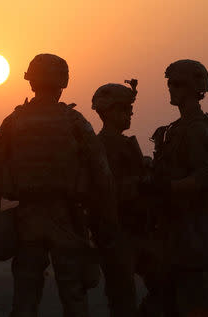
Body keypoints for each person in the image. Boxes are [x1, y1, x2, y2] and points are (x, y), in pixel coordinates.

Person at [0, 53, 117, 317]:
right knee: (73, 294)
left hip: (27, 220)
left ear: (31, 82)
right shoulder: (75, 121)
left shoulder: (13, 122)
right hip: (65, 219)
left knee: (26, 294)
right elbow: (102, 175)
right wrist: (105, 221)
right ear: (63, 82)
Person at [138, 60, 208, 317]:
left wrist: (169, 187)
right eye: (169, 84)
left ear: (193, 87)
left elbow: (205, 177)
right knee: (160, 302)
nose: (171, 89)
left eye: (176, 84)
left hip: (190, 230)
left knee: (195, 302)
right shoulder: (173, 131)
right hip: (168, 228)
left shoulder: (200, 129)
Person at [91, 79, 146, 316]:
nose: (129, 114)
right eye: (124, 109)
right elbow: (103, 191)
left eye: (130, 109)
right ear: (108, 112)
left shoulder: (114, 144)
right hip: (116, 232)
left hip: (134, 229)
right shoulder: (101, 146)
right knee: (123, 301)